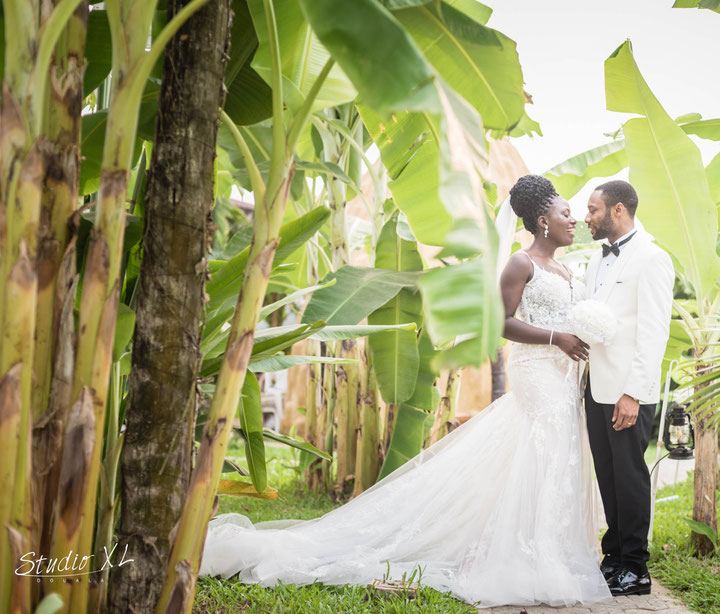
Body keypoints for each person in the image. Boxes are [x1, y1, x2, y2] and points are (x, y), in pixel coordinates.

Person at [199, 175, 611, 607]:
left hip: (567, 378)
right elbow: (501, 321)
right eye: (566, 214)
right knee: (539, 452)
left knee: (555, 454)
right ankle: (528, 556)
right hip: (538, 372)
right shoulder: (520, 263)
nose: (574, 221)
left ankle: (550, 547)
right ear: (543, 220)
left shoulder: (567, 268)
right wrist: (556, 339)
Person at [582, 180, 674, 596]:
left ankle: (636, 568)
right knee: (608, 476)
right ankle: (614, 557)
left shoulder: (653, 259)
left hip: (626, 392)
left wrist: (633, 393)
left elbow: (654, 333)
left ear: (618, 210)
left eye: (593, 210)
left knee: (630, 476)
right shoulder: (594, 261)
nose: (587, 218)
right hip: (595, 387)